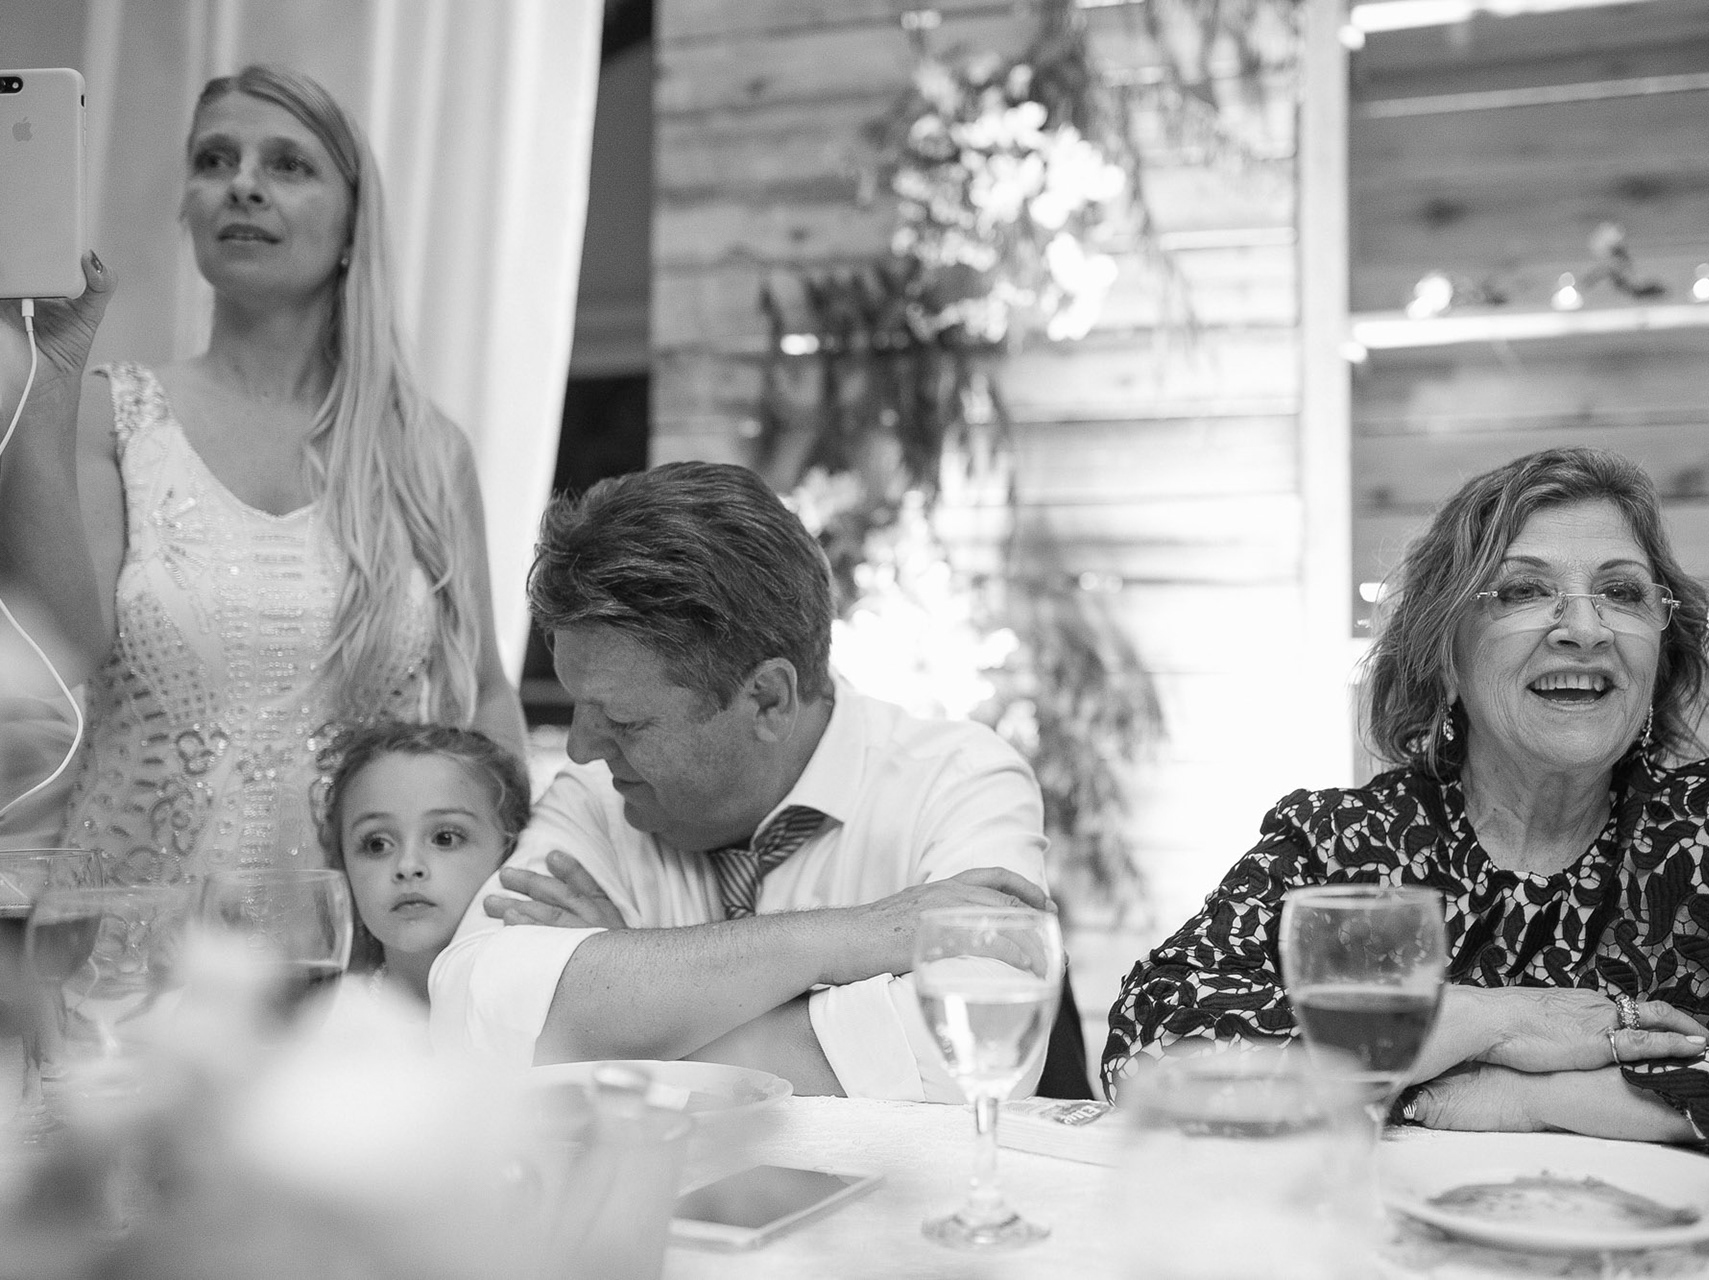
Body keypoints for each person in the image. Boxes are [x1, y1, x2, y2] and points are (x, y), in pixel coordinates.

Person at [1105, 447, 1709, 1159]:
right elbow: (1151, 1045)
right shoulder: (1346, 843)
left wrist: (1541, 1100)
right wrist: (1497, 1020)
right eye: (1526, 591)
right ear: (1444, 654)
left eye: (1622, 592)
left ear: (1661, 650)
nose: (1585, 629)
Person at [0, 65, 525, 880]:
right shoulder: (110, 416)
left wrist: (503, 885)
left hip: (360, 932)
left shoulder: (424, 449)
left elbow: (486, 693)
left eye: (288, 164)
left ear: (353, 221)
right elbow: (65, 646)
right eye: (215, 160)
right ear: (187, 207)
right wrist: (48, 373)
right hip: (134, 930)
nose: (242, 185)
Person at [431, 461, 1052, 1101]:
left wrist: (632, 1005)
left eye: (624, 721)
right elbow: (469, 1009)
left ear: (767, 700)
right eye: (578, 707)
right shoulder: (596, 798)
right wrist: (846, 937)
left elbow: (975, 1049)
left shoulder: (956, 781)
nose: (581, 749)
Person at [320, 721, 531, 1003]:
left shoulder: (549, 1013)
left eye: (445, 838)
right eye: (377, 844)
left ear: (510, 849)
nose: (408, 866)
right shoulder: (322, 1021)